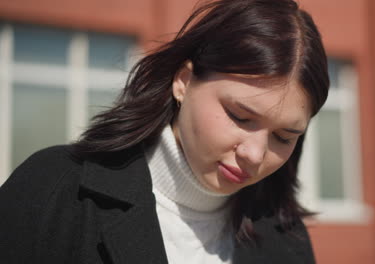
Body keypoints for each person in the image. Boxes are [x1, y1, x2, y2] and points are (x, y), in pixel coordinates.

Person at [0, 0, 329, 263]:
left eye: (283, 137)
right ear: (183, 82)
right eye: (240, 117)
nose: (254, 154)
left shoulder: (286, 237)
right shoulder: (55, 190)